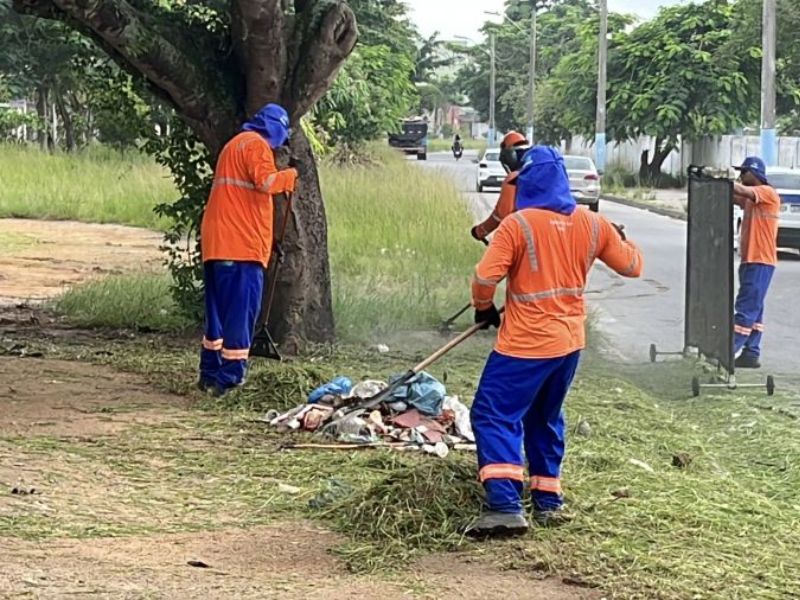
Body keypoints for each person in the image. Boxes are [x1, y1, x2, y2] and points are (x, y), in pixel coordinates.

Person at [466, 146, 643, 538]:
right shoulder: (593, 224)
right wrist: (621, 238)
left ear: (527, 181)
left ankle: (505, 506)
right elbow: (633, 267)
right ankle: (547, 499)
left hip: (526, 344)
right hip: (568, 344)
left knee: (493, 413)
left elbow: (484, 278)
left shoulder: (517, 225)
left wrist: (484, 309)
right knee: (543, 415)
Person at [198, 103, 298, 396]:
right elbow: (266, 182)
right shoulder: (255, 146)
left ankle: (209, 373)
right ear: (276, 129)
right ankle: (229, 378)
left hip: (217, 243)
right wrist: (290, 176)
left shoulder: (232, 145)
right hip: (242, 246)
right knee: (240, 312)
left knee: (217, 313)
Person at [732, 156, 780, 369]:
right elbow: (736, 196)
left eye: (744, 172)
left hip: (760, 261)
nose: (741, 176)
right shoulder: (752, 200)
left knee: (746, 308)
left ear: (755, 173)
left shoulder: (766, 192)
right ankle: (751, 353)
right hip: (750, 260)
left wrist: (721, 178)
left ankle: (726, 352)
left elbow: (741, 191)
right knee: (755, 308)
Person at [470, 131, 530, 242]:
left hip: (528, 234)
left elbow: (501, 214)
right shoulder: (545, 173)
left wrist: (480, 231)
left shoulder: (514, 179)